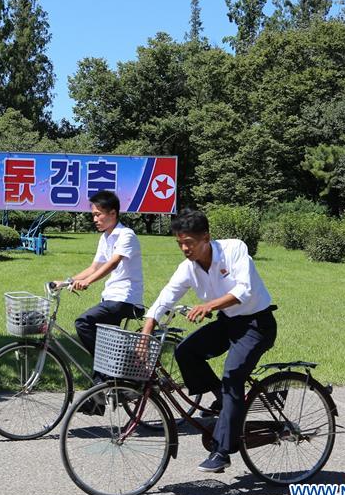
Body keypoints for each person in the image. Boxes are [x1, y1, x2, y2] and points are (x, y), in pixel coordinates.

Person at [141, 208, 277, 473]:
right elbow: (165, 297)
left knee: (232, 377)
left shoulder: (233, 249)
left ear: (206, 237)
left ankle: (222, 452)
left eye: (189, 242)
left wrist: (209, 306)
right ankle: (222, 399)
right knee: (186, 351)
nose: (184, 248)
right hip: (228, 322)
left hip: (256, 324)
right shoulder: (188, 268)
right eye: (179, 243)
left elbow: (244, 290)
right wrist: (146, 331)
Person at [58, 190, 144, 414]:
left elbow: (113, 264)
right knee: (104, 345)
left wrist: (87, 282)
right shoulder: (105, 237)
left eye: (98, 214)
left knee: (84, 323)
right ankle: (98, 399)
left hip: (126, 299)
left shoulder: (126, 235)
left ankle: (111, 375)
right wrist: (65, 282)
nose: (95, 219)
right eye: (93, 215)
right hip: (111, 298)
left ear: (113, 213)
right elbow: (94, 266)